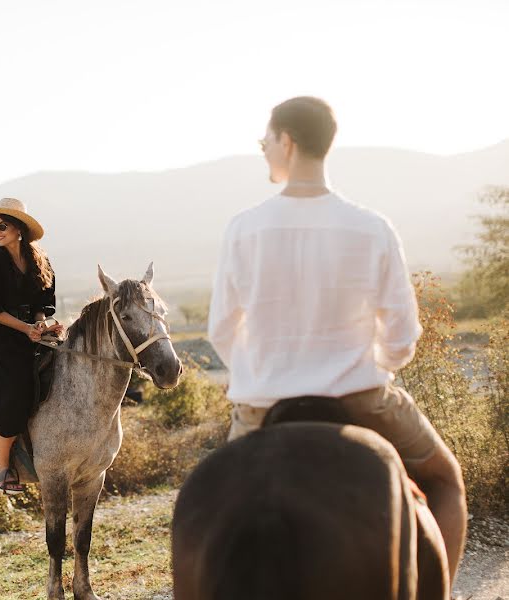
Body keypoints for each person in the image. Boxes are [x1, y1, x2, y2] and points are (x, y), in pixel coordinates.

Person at [207, 96, 467, 585]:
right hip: (359, 398)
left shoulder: (243, 229)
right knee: (445, 481)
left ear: (287, 141)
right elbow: (402, 334)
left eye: (265, 140)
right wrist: (373, 368)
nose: (264, 149)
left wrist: (260, 372)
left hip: (262, 406)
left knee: (212, 505)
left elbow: (222, 328)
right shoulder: (371, 228)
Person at [0, 197, 65, 495]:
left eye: (2, 226)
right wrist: (25, 329)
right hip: (1, 339)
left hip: (30, 333)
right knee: (15, 385)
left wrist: (40, 325)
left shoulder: (40, 260)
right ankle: (3, 468)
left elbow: (41, 305)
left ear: (19, 229)